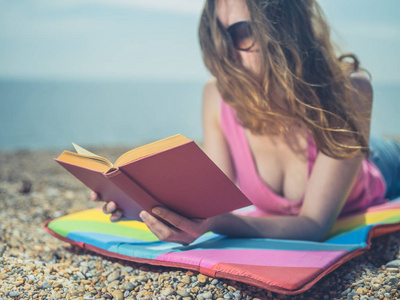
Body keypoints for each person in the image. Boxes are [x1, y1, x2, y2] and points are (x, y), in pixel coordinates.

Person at [92, 0, 400, 245]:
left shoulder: (349, 92)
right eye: (219, 33)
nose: (227, 51)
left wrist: (216, 224)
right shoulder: (217, 95)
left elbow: (314, 226)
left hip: (380, 164)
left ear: (286, 28)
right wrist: (144, 206)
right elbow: (210, 202)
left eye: (243, 31)